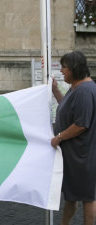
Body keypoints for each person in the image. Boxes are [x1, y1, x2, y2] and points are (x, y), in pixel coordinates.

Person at [51, 51, 96, 225]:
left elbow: (81, 124)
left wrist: (59, 138)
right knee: (71, 197)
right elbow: (67, 108)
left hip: (82, 155)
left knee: (87, 198)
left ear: (74, 69)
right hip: (74, 155)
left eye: (64, 67)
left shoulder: (84, 91)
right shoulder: (76, 88)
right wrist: (55, 91)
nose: (61, 71)